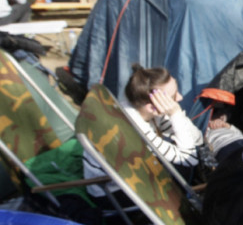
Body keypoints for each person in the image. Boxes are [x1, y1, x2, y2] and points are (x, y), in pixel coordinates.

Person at [83, 64, 204, 206]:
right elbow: (190, 159)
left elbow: (197, 138)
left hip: (130, 176)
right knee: (183, 166)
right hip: (111, 193)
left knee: (184, 152)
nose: (180, 97)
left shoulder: (139, 106)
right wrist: (175, 114)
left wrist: (175, 116)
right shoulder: (133, 128)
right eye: (174, 95)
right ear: (152, 107)